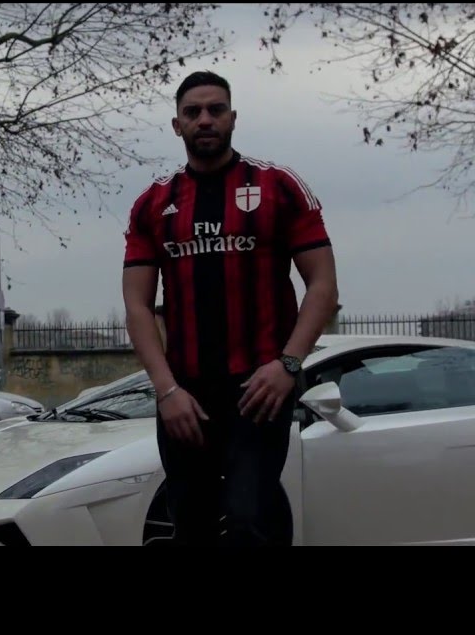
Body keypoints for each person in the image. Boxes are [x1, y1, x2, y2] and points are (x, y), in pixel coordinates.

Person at [121, 71, 339, 546]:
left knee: (247, 519)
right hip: (185, 395)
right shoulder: (152, 204)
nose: (205, 119)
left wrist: (288, 365)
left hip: (259, 390)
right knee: (192, 525)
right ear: (176, 125)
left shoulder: (279, 187)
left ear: (233, 118)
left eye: (216, 110)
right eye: (192, 112)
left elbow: (322, 286)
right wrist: (166, 391)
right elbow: (137, 306)